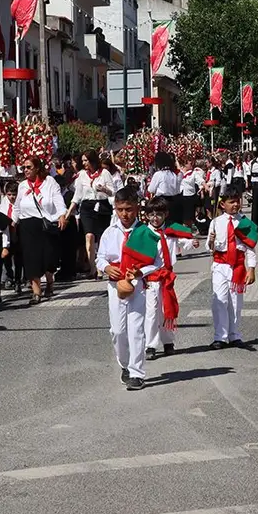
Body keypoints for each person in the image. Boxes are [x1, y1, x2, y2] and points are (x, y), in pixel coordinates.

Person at [96, 186, 157, 390]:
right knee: (118, 331)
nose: (125, 214)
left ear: (137, 208)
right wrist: (106, 267)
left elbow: (158, 262)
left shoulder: (145, 233)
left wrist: (141, 273)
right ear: (115, 208)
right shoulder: (110, 232)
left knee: (136, 329)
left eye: (129, 209)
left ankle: (137, 372)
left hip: (137, 286)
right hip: (115, 287)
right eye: (120, 209)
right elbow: (100, 257)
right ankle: (124, 364)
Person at [142, 197, 195, 360]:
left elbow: (183, 239)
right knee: (151, 312)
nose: (155, 218)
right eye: (151, 214)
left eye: (158, 214)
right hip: (150, 277)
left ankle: (168, 342)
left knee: (167, 309)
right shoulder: (144, 233)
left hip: (167, 276)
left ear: (165, 214)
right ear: (146, 216)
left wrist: (191, 243)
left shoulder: (170, 231)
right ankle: (150, 345)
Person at [206, 185, 258, 349]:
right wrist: (212, 242)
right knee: (219, 300)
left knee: (235, 302)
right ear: (223, 204)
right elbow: (209, 247)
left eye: (237, 201)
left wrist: (251, 268)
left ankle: (234, 334)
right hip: (220, 265)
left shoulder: (245, 223)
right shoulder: (215, 222)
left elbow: (250, 248)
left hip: (237, 266)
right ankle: (219, 336)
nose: (235, 205)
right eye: (231, 202)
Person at [15, 157, 68, 304]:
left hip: (45, 224)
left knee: (48, 258)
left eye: (28, 167)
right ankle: (36, 292)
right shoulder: (23, 186)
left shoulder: (49, 182)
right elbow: (17, 206)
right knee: (31, 258)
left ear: (37, 168)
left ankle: (50, 280)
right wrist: (14, 222)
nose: (25, 170)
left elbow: (57, 199)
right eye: (24, 167)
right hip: (27, 225)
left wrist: (62, 215)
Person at [66, 150, 113, 278]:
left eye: (86, 160)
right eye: (83, 161)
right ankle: (94, 268)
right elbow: (77, 195)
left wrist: (103, 189)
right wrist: (68, 212)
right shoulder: (82, 175)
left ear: (92, 160)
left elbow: (113, 191)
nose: (84, 163)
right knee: (89, 236)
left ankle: (104, 263)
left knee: (102, 237)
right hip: (87, 207)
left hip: (102, 205)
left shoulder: (104, 173)